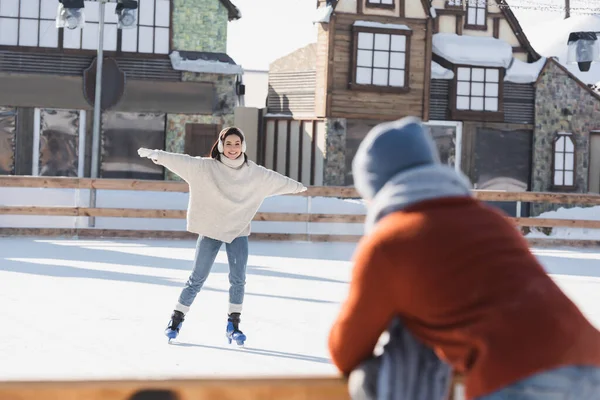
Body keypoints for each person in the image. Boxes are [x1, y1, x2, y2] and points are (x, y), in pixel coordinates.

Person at [328, 116, 600, 399]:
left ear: (377, 191)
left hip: (520, 379)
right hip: (591, 362)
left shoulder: (389, 242)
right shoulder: (492, 221)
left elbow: (346, 351)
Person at [137, 127, 306, 345]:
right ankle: (175, 321)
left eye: (237, 144)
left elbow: (275, 180)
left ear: (243, 145)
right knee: (196, 278)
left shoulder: (253, 173)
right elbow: (183, 161)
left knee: (238, 280)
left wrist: (298, 187)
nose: (233, 148)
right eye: (228, 144)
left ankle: (233, 325)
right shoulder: (206, 168)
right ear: (220, 145)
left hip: (238, 231)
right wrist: (157, 155)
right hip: (211, 229)